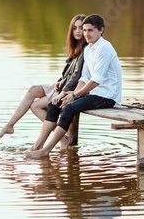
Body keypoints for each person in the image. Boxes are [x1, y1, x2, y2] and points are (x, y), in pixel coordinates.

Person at [24, 14, 122, 158]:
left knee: (69, 108)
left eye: (90, 30)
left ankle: (46, 151)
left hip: (107, 96)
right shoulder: (88, 49)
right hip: (93, 93)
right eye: (84, 30)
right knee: (54, 104)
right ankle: (37, 146)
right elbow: (85, 78)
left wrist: (75, 95)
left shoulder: (104, 48)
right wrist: (69, 94)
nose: (86, 34)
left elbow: (96, 80)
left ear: (100, 30)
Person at [0, 14, 87, 144]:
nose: (78, 31)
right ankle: (9, 125)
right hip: (64, 84)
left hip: (73, 90)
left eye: (81, 28)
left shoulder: (86, 49)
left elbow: (77, 76)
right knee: (33, 90)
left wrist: (62, 92)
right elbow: (68, 73)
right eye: (74, 28)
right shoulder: (76, 47)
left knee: (35, 106)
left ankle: (63, 139)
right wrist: (60, 81)